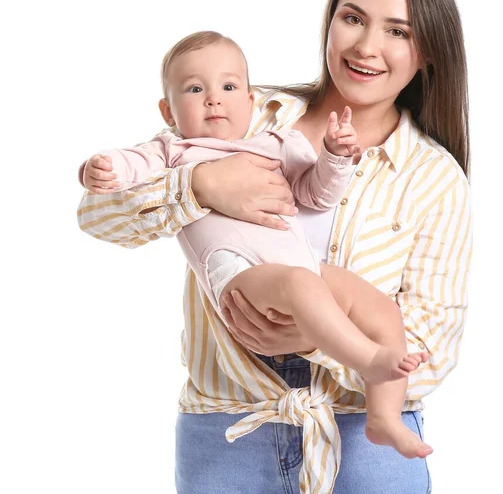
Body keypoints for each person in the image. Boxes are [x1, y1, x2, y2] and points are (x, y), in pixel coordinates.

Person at [77, 0, 472, 494]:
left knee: (377, 314)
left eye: (398, 31)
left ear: (428, 51)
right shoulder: (239, 113)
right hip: (229, 433)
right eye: (352, 18)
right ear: (329, 22)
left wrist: (311, 337)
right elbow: (97, 215)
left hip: (365, 439)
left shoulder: (435, 178)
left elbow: (430, 349)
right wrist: (199, 185)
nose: (366, 46)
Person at [80, 30, 432, 458]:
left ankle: (383, 416)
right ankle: (369, 359)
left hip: (301, 270)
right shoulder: (172, 150)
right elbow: (124, 172)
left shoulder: (275, 143)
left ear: (250, 101)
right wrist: (101, 168)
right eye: (195, 89)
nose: (214, 99)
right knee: (302, 287)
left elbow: (315, 194)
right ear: (167, 110)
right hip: (240, 272)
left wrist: (335, 158)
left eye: (228, 87)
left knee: (380, 308)